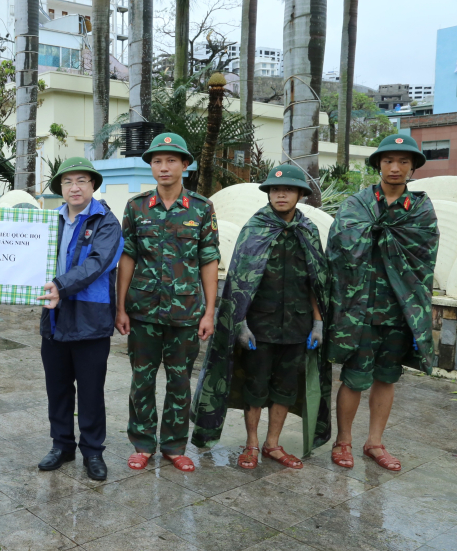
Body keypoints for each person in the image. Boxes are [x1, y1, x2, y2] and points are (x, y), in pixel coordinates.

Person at [191, 164, 331, 469]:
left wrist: (319, 321)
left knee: (285, 387)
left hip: (297, 326)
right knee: (256, 387)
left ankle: (273, 444)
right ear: (268, 193)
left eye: (289, 189)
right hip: (259, 326)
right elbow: (239, 280)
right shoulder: (255, 228)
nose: (281, 194)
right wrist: (239, 323)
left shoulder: (307, 230)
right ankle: (252, 444)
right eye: (276, 190)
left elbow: (316, 281)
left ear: (300, 195)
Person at [327, 134, 439, 471]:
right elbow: (339, 246)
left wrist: (383, 233)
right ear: (378, 164)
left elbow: (425, 252)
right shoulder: (357, 204)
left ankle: (374, 442)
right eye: (389, 160)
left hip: (398, 310)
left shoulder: (420, 209)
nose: (395, 168)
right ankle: (343, 441)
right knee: (354, 378)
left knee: (387, 378)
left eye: (404, 162)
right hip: (359, 309)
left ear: (412, 167)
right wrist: (374, 231)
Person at [115, 133, 220, 473]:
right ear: (151, 167)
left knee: (179, 383)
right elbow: (127, 258)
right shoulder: (136, 207)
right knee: (141, 381)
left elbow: (209, 261)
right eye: (157, 161)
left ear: (185, 165)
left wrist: (208, 312)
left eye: (171, 160)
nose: (164, 167)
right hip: (143, 311)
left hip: (186, 313)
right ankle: (142, 444)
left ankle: (175, 446)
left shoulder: (202, 209)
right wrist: (120, 308)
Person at [36, 158, 122, 481]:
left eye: (82, 181)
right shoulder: (49, 222)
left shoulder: (106, 222)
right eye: (68, 181)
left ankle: (93, 451)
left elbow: (97, 263)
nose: (75, 187)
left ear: (93, 186)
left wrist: (59, 285)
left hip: (91, 319)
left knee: (90, 389)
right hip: (54, 319)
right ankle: (61, 445)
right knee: (57, 387)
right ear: (60, 187)